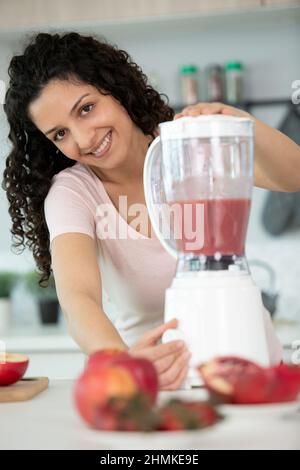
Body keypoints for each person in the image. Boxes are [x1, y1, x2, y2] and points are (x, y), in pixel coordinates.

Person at [3, 32, 299, 390]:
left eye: (86, 108)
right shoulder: (73, 193)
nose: (82, 139)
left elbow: (293, 176)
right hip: (158, 383)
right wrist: (123, 363)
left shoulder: (188, 144)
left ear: (114, 87)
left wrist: (236, 123)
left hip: (254, 370)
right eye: (60, 134)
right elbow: (78, 298)